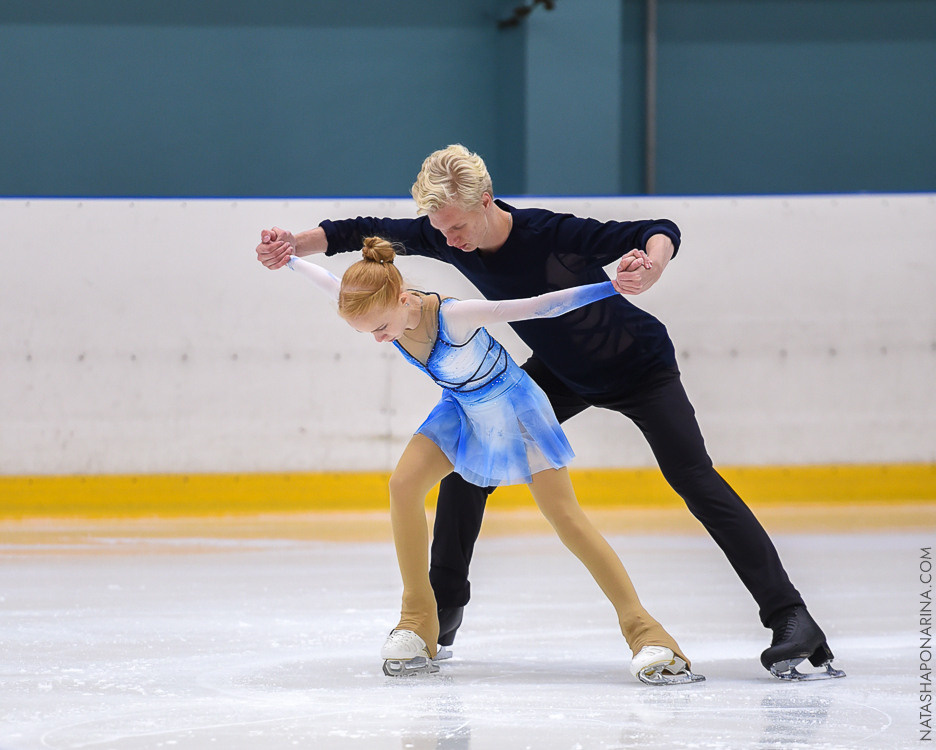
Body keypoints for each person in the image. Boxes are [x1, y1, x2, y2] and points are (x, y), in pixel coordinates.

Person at [256, 144, 844, 681]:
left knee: (694, 480)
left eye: (457, 225)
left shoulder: (549, 232)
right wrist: (291, 245)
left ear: (486, 201)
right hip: (562, 372)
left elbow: (655, 229)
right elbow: (356, 233)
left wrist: (653, 264)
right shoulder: (443, 232)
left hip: (639, 366)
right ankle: (442, 608)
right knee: (467, 467)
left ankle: (791, 617)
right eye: (439, 228)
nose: (449, 239)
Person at [271, 234, 703, 685]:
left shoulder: (454, 318)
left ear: (401, 299)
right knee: (402, 486)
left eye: (382, 327)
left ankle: (647, 633)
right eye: (369, 333)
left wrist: (610, 287)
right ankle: (417, 621)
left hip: (514, 409)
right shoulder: (373, 299)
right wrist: (289, 259)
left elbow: (537, 305)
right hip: (460, 408)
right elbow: (325, 278)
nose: (380, 339)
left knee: (565, 517)